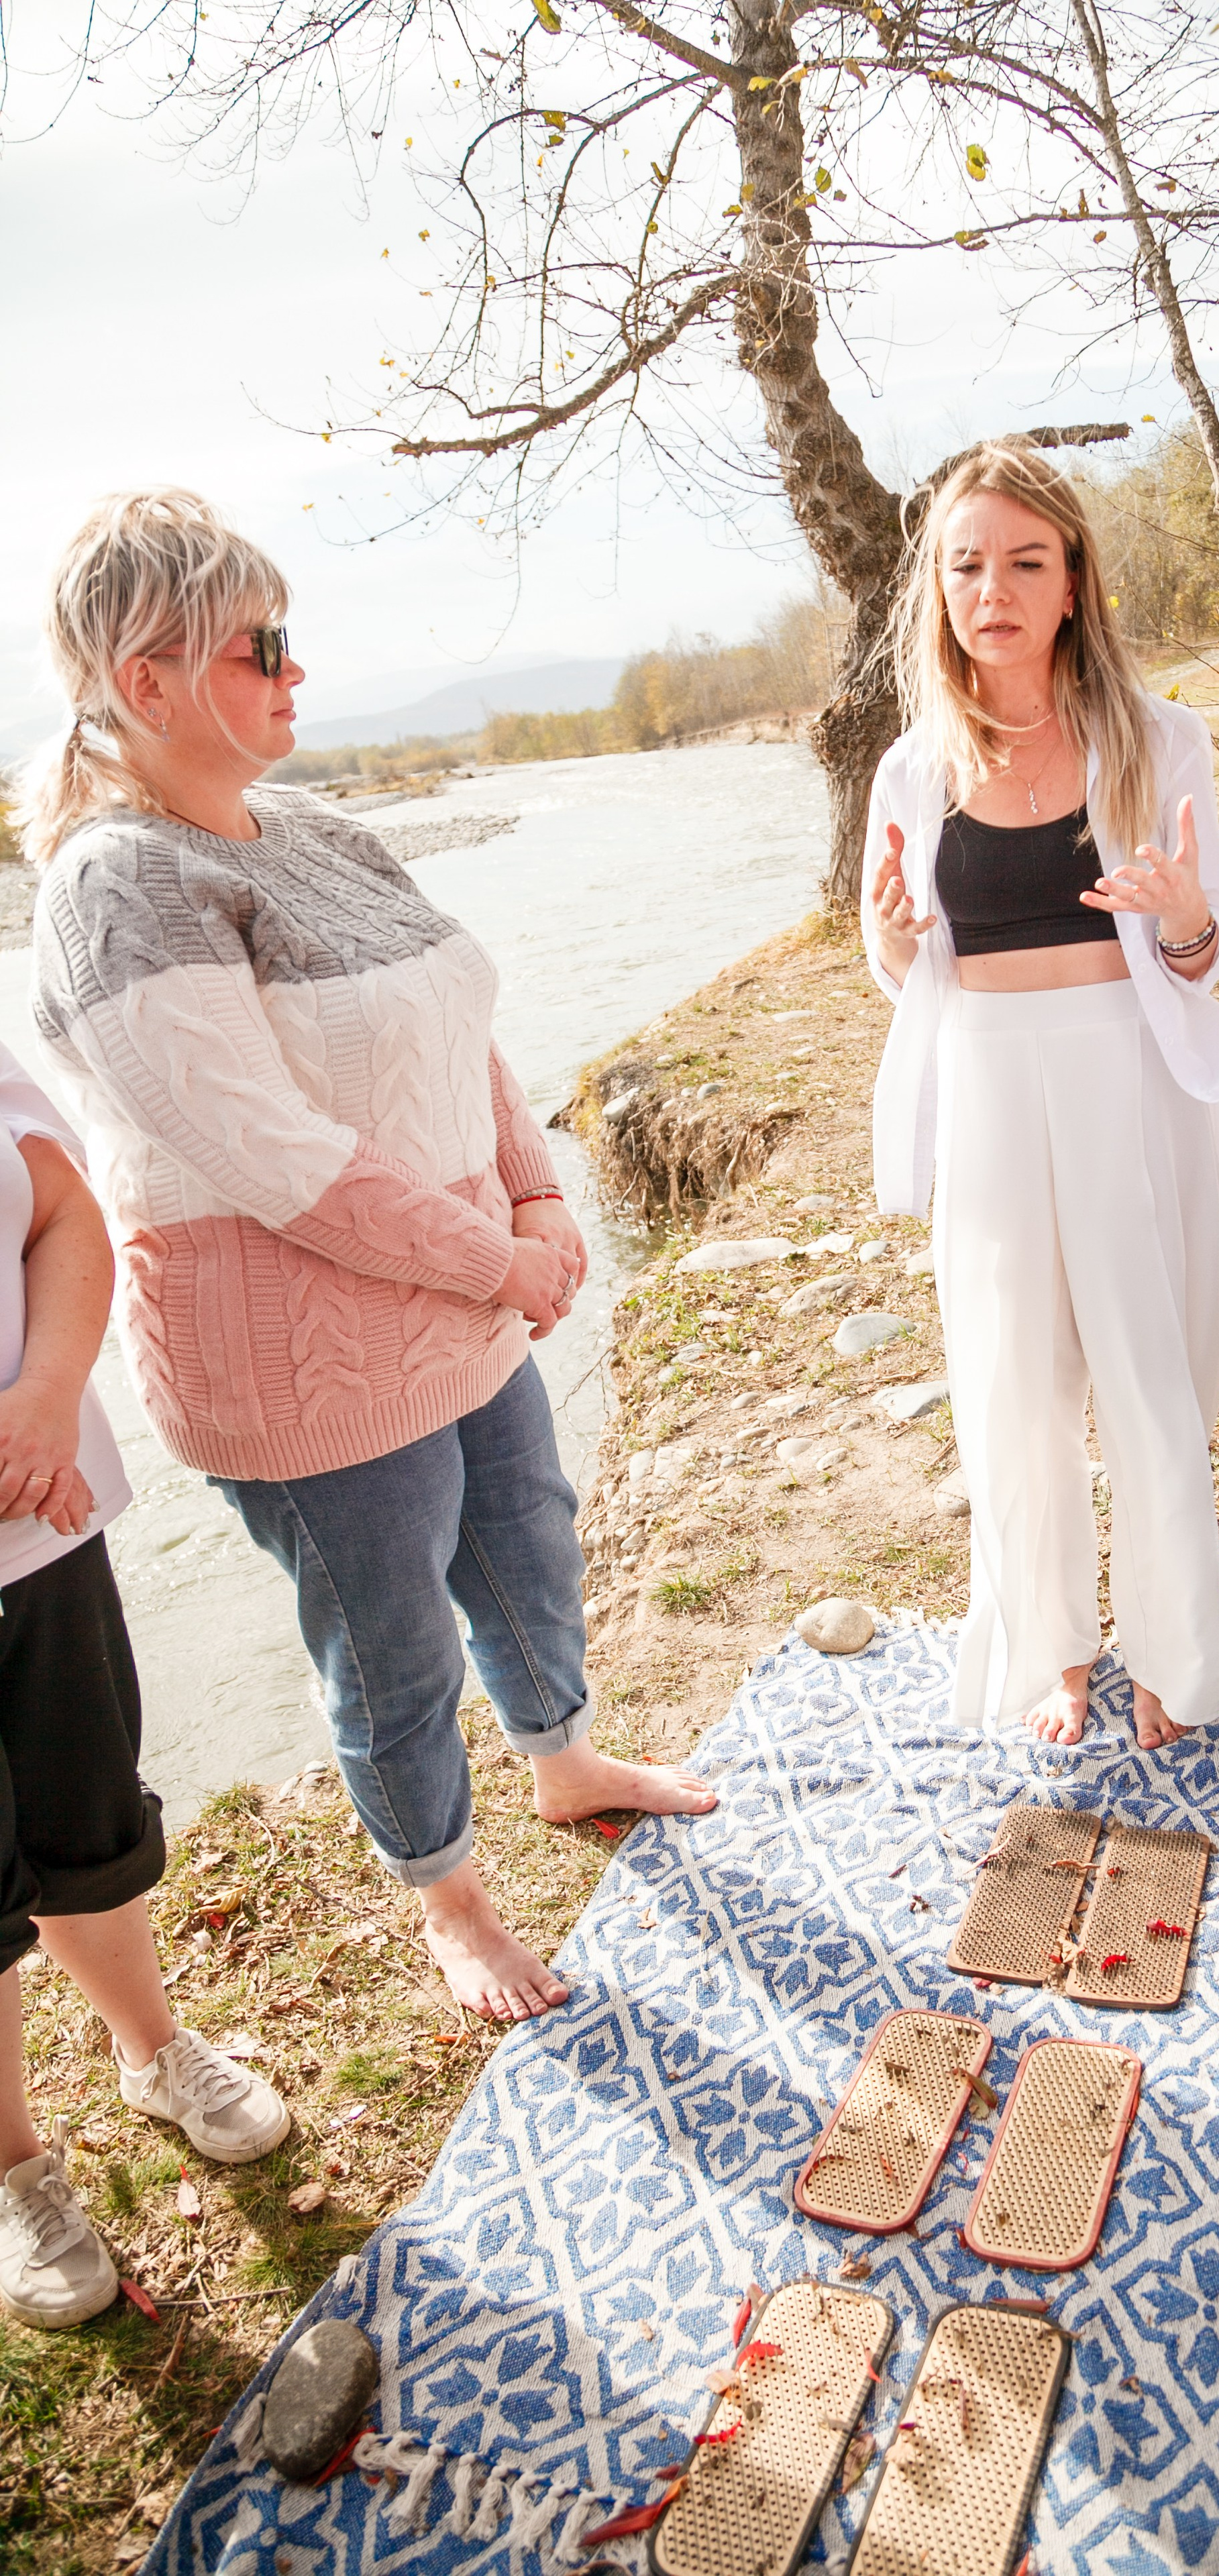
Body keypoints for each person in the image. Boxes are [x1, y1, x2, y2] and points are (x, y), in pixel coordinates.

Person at [25, 489, 715, 2027]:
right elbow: (278, 1161)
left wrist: (533, 1200)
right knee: (392, 1641)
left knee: (528, 1543)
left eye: (290, 641)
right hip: (307, 1366)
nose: (294, 672)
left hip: (467, 1297)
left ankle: (562, 1760)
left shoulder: (321, 831)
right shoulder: (113, 891)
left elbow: (452, 1022)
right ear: (145, 680)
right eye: (258, 645)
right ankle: (451, 1902)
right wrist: (499, 1260)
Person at [862, 439, 1219, 1753]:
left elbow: (1203, 945)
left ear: (1071, 584)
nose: (992, 588)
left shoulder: (1159, 739)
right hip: (987, 1084)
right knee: (1008, 1388)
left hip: (1124, 1083)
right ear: (936, 589)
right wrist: (884, 936)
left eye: (1023, 561)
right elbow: (909, 973)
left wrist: (1174, 919)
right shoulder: (908, 768)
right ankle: (1054, 1648)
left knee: (1151, 1377)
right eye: (966, 564)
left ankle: (1172, 1652)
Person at [0, 1044, 289, 2330]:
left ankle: (150, 2051)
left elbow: (57, 1213)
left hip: (40, 1518)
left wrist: (48, 1403)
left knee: (90, 1819)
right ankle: (15, 2172)